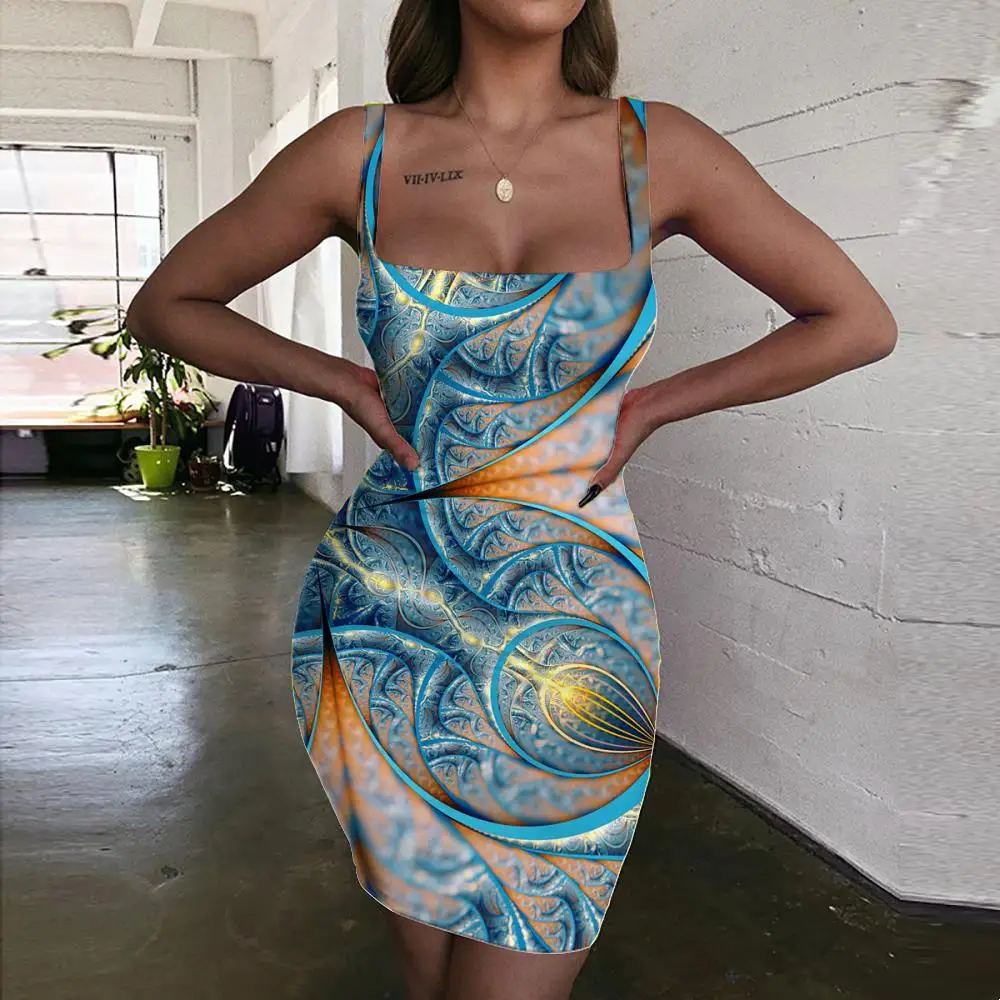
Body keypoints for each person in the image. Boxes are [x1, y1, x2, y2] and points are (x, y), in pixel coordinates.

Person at [126, 1, 897, 997]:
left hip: (576, 627)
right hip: (385, 619)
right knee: (432, 975)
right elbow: (167, 303)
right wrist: (344, 382)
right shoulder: (357, 153)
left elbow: (855, 320)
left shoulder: (658, 150)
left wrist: (656, 403)